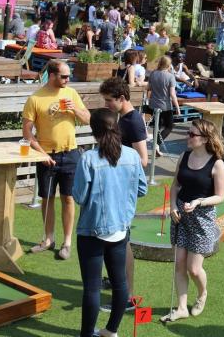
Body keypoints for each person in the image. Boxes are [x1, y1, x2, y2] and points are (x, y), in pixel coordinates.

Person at [74, 109, 148, 337]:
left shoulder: (88, 158)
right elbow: (142, 189)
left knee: (92, 287)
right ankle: (111, 331)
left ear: (93, 131)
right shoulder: (132, 156)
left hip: (91, 231)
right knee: (120, 283)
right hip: (120, 229)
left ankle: (88, 334)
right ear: (115, 127)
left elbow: (79, 196)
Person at [22, 60, 91, 260]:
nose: (68, 80)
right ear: (51, 75)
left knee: (68, 198)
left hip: (70, 153)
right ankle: (49, 238)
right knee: (47, 198)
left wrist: (74, 110)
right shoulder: (35, 98)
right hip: (47, 155)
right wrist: (41, 153)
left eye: (69, 76)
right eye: (64, 76)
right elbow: (27, 132)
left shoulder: (71, 93)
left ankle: (67, 242)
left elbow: (87, 119)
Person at [162, 119, 224, 323]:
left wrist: (200, 201)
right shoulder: (184, 156)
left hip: (202, 218)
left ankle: (202, 294)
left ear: (205, 138)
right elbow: (175, 186)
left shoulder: (216, 164)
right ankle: (182, 307)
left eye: (192, 135)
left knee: (194, 269)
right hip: (180, 215)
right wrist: (172, 205)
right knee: (179, 264)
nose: (187, 137)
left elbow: (221, 196)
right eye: (188, 133)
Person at [100, 78, 148, 310]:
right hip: (117, 186)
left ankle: (127, 296)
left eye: (109, 100)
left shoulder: (134, 121)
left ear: (121, 98)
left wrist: (118, 163)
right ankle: (116, 280)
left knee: (122, 240)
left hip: (124, 189)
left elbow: (143, 159)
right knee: (115, 238)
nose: (107, 104)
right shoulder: (124, 118)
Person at [147, 56, 180, 155]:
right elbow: (172, 94)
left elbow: (148, 88)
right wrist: (177, 108)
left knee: (157, 126)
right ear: (169, 65)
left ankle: (156, 146)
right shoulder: (170, 76)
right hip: (165, 105)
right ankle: (156, 144)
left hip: (153, 104)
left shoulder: (153, 73)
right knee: (169, 126)